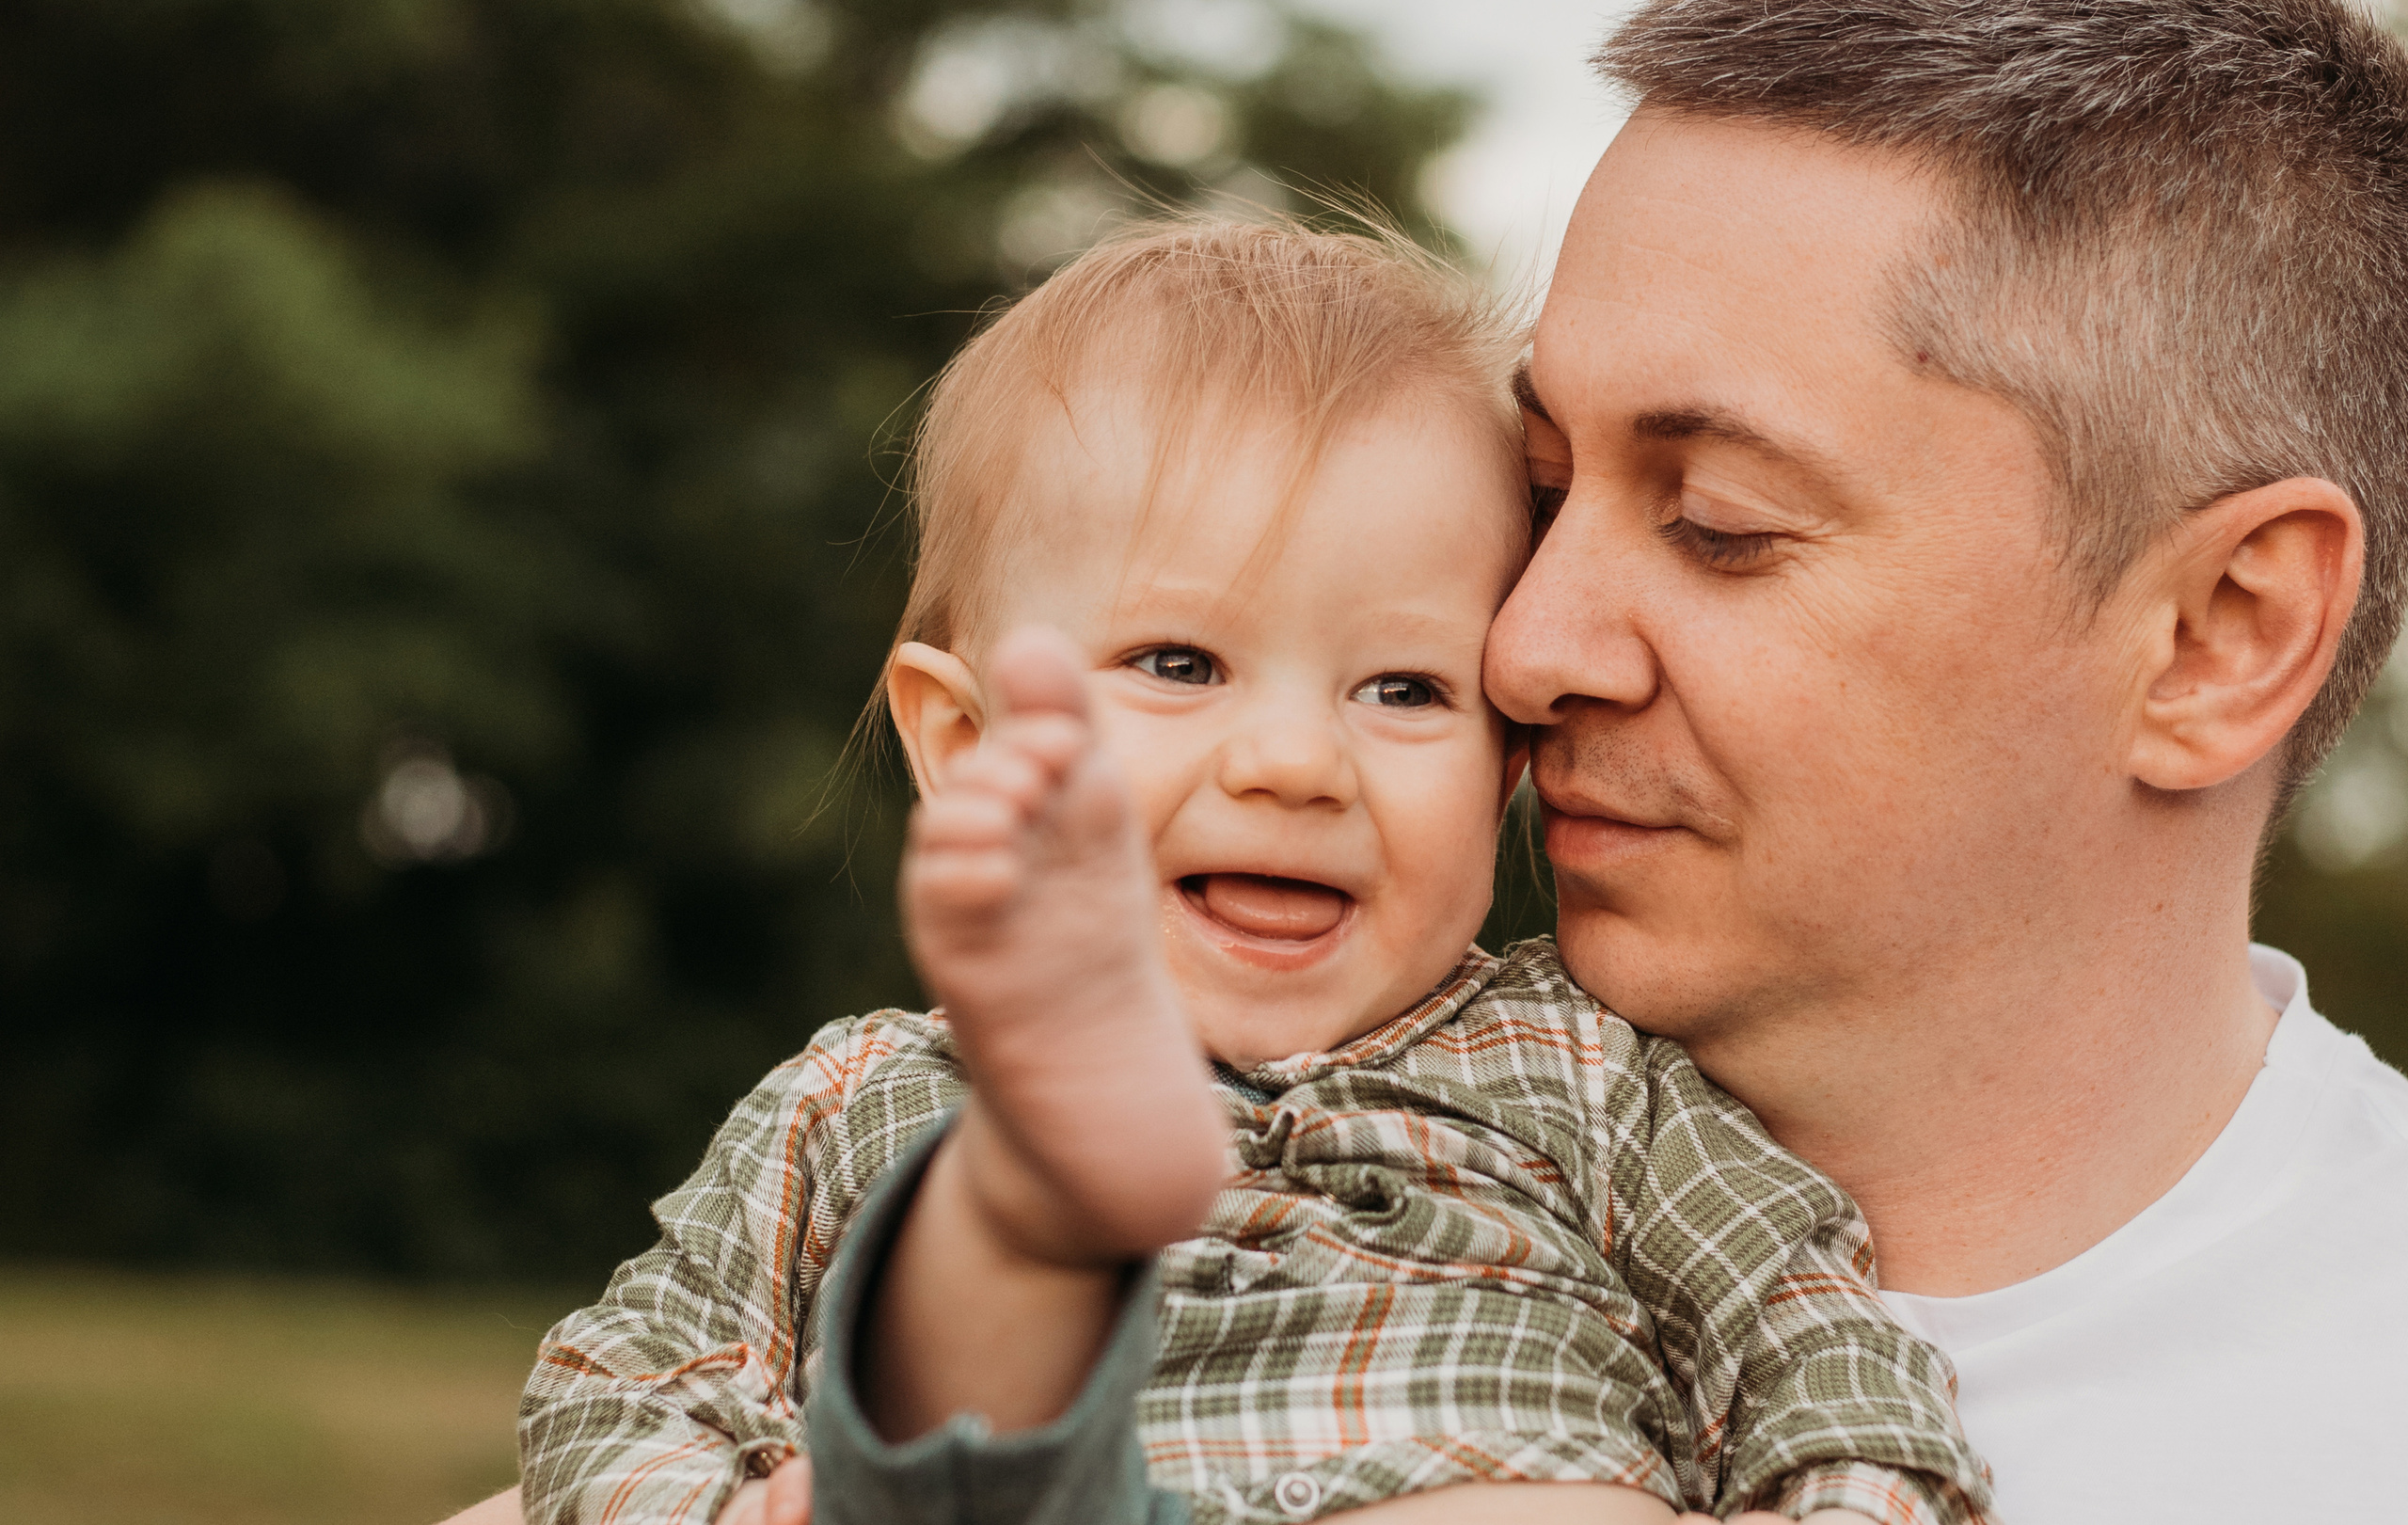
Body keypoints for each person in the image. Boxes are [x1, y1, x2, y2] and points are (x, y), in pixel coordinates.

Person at [510, 218, 1995, 1525]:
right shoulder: (854, 1102)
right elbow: (618, 1385)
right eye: (1179, 662)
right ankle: (1027, 1268)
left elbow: (1824, 1356)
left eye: (1405, 689)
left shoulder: (1592, 1077)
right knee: (958, 1398)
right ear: (965, 741)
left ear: (1504, 769)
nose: (1295, 762)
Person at [1495, 0, 2408, 1519]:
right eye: (1538, 485)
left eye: (1720, 524)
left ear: (2219, 635)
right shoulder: (1186, 1200)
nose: (1526, 646)